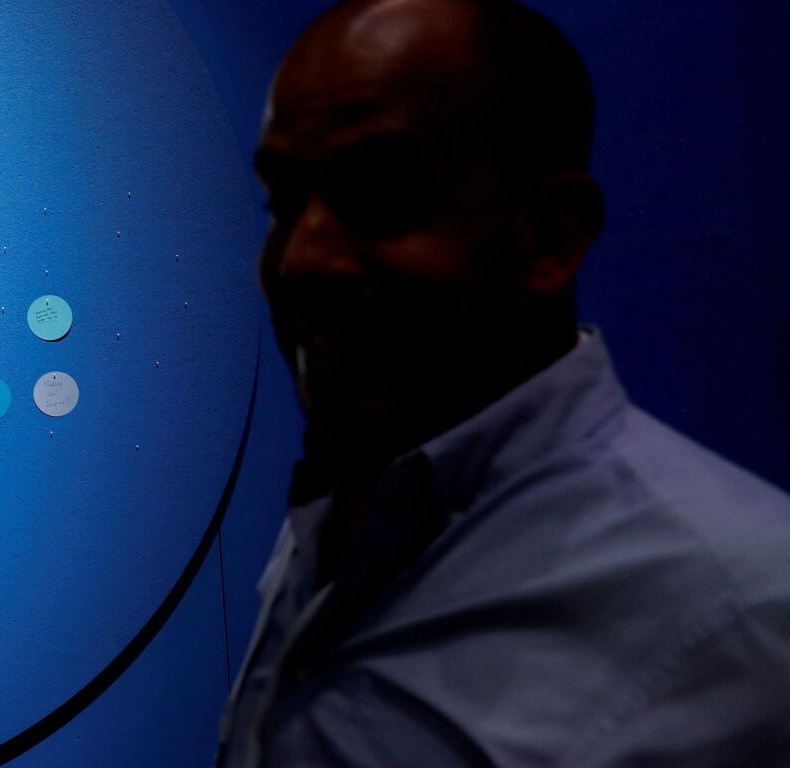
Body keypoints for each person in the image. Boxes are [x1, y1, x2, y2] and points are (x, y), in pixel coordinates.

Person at [219, 1, 790, 765]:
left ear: (551, 234)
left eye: (380, 191)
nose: (299, 261)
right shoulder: (352, 509)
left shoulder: (749, 613)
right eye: (285, 202)